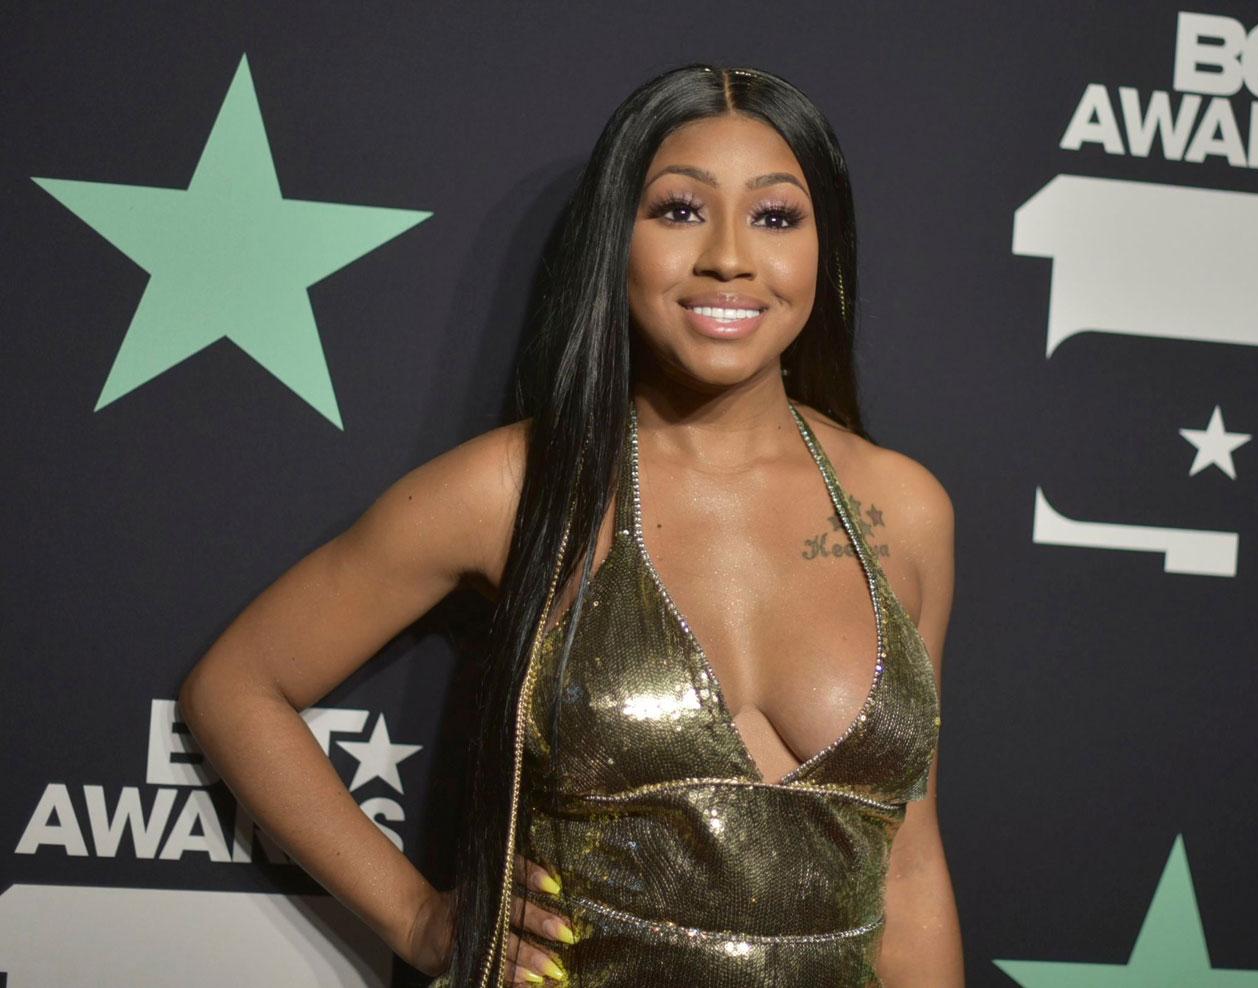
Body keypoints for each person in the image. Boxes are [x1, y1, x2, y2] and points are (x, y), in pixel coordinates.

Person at [179, 63, 962, 987]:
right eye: (678, 210)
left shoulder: (904, 511)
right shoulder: (515, 486)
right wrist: (425, 920)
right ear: (614, 238)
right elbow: (238, 687)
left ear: (824, 249)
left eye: (776, 216)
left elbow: (908, 871)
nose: (728, 257)